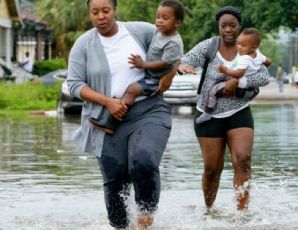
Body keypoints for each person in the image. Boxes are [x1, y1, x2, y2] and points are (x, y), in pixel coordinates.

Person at [67, 0, 178, 229]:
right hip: (108, 119)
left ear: (115, 10)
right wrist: (107, 101)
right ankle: (120, 227)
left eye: (105, 11)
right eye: (95, 12)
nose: (101, 17)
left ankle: (146, 218)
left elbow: (172, 50)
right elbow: (75, 84)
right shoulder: (84, 44)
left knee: (143, 161)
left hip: (148, 110)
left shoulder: (141, 31)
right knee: (114, 182)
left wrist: (168, 77)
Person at [178, 6, 270, 211]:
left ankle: (242, 214)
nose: (228, 30)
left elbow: (264, 77)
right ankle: (209, 211)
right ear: (218, 27)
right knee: (212, 169)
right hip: (208, 115)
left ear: (240, 27)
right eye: (223, 26)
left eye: (233, 26)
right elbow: (184, 60)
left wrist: (238, 82)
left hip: (239, 112)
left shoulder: (249, 49)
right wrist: (182, 66)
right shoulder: (208, 46)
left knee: (243, 159)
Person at [89, 0, 184, 134]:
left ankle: (111, 122)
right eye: (158, 17)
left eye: (165, 18)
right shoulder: (158, 32)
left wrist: (143, 65)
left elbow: (166, 63)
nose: (159, 21)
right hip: (149, 74)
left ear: (177, 23)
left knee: (131, 91)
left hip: (155, 78)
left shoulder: (173, 42)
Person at [195, 27, 272, 124]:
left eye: (243, 45)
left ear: (253, 47)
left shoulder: (245, 58)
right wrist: (258, 64)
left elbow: (239, 73)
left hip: (236, 82)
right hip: (247, 88)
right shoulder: (258, 55)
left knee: (213, 90)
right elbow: (268, 61)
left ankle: (207, 113)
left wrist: (226, 71)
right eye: (238, 43)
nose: (239, 47)